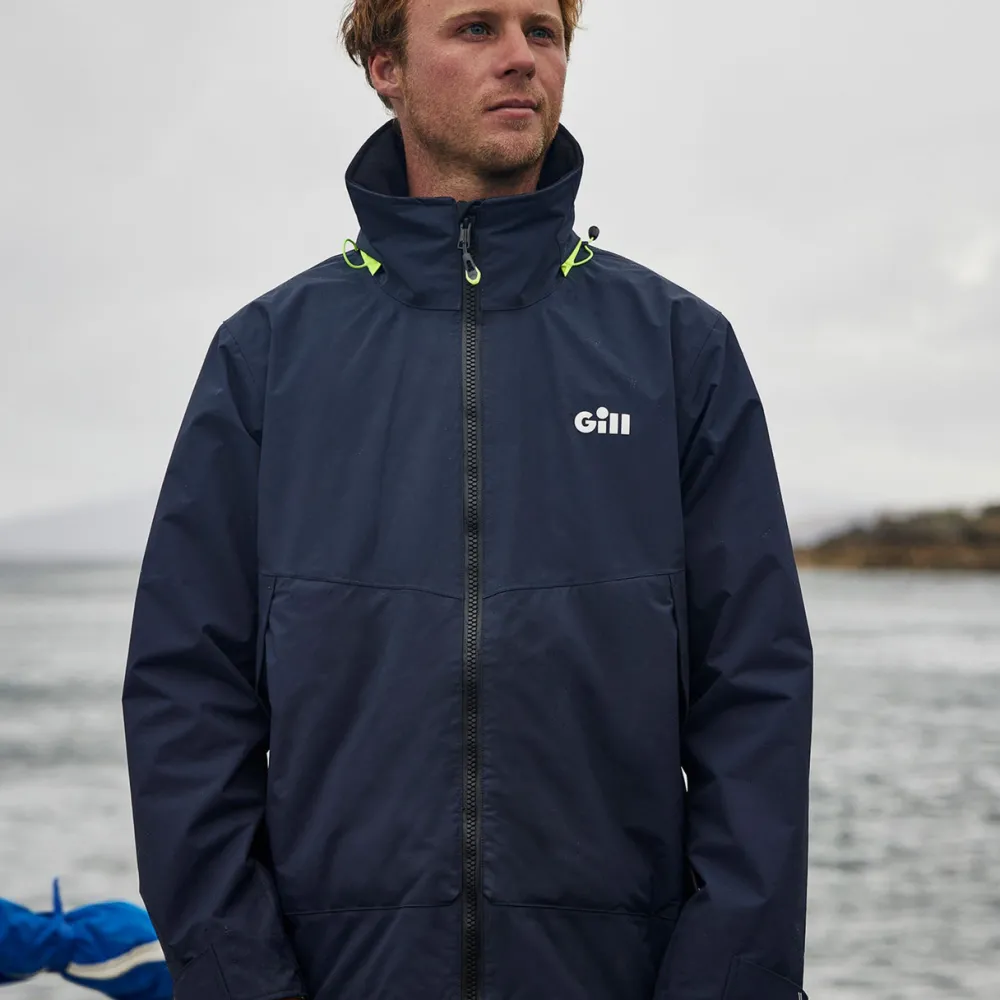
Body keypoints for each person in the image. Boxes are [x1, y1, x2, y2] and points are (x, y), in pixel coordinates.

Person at [122, 0, 814, 998]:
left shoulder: (677, 349)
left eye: (544, 31)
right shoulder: (267, 356)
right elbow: (187, 698)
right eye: (477, 27)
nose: (522, 58)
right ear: (385, 66)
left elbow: (753, 696)